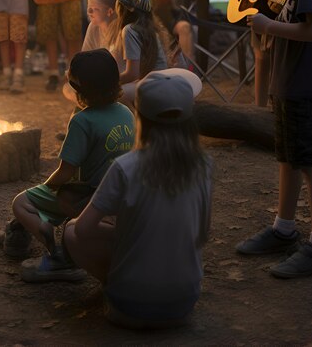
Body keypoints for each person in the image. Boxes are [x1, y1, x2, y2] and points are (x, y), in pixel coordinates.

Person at [64, 68, 212, 329]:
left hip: (129, 307)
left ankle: (112, 285)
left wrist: (125, 233)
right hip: (184, 304)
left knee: (72, 230)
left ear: (139, 118)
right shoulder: (203, 165)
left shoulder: (126, 166)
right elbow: (202, 233)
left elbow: (85, 230)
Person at [238, 0, 312, 278]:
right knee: (289, 157)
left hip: (304, 84)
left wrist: (267, 27)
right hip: (290, 82)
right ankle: (283, 228)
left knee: (309, 161)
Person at [0, 49, 135, 282]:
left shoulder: (83, 121)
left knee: (22, 202)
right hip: (118, 195)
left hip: (87, 196)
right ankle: (21, 231)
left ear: (79, 90)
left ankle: (58, 256)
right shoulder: (126, 112)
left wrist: (47, 186)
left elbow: (66, 172)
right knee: (51, 198)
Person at [107, 0, 168, 106]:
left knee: (114, 94)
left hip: (153, 83)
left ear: (126, 8)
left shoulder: (130, 30)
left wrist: (107, 82)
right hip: (162, 79)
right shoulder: (149, 27)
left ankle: (135, 123)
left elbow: (132, 74)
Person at [62, 0, 121, 106]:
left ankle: (94, 111)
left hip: (116, 79)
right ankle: (91, 110)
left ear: (109, 11)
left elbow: (118, 68)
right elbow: (86, 56)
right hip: (99, 78)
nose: (89, 12)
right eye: (88, 8)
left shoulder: (121, 31)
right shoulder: (93, 27)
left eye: (94, 9)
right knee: (68, 89)